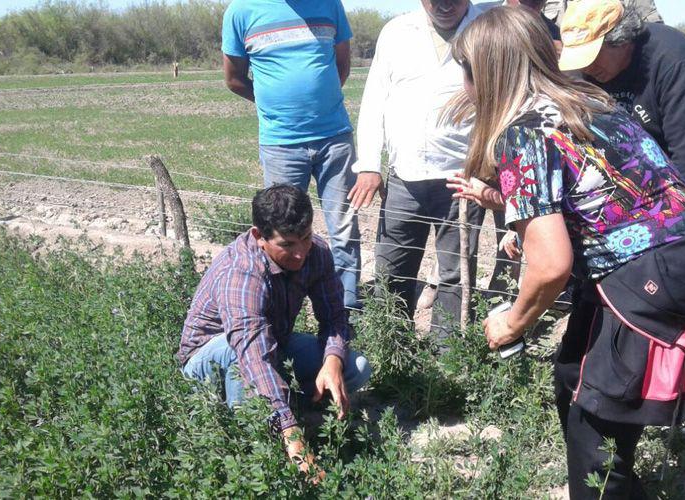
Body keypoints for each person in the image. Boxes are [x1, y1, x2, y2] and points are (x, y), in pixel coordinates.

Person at [447, 7, 685, 498]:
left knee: (594, 429)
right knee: (571, 378)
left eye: (466, 71)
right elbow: (600, 192)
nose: (464, 84)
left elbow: (551, 265)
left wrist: (513, 323)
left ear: (488, 73)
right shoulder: (589, 101)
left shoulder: (523, 133)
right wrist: (513, 208)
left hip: (647, 276)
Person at [178, 184, 371, 477]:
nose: (300, 253)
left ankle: (287, 412)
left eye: (305, 238)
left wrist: (332, 361)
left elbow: (334, 316)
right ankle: (251, 440)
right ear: (259, 236)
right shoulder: (242, 274)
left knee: (356, 367)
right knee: (239, 358)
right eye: (288, 245)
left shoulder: (316, 252)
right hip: (211, 359)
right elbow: (253, 355)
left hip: (272, 343)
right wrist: (293, 435)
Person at [557, 0, 685, 247]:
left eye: (593, 56)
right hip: (636, 168)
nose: (587, 68)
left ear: (622, 40)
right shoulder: (584, 71)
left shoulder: (674, 59)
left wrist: (674, 228)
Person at [354, 0, 488, 335]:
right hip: (405, 175)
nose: (444, 5)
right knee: (392, 269)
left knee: (456, 275)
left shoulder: (487, 29)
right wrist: (369, 163)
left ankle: (448, 356)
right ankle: (392, 347)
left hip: (462, 177)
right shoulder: (396, 32)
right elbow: (374, 101)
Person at [221, 0, 364, 310]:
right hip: (281, 144)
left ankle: (346, 312)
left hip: (335, 138)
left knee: (344, 229)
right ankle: (284, 312)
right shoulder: (241, 11)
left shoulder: (330, 4)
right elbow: (234, 79)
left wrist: (318, 103)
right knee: (284, 230)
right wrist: (275, 106)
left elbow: (342, 65)